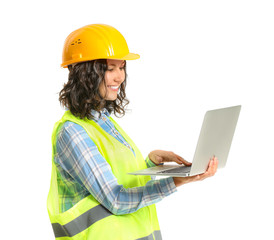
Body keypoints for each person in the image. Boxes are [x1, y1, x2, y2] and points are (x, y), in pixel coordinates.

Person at [47, 24, 218, 240]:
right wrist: (178, 181)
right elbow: (116, 200)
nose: (120, 77)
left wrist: (148, 163)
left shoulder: (103, 122)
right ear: (84, 74)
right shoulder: (73, 132)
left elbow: (113, 180)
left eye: (122, 67)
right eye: (110, 69)